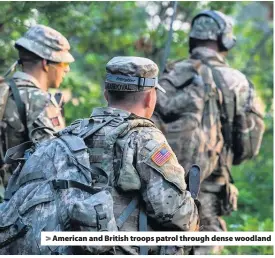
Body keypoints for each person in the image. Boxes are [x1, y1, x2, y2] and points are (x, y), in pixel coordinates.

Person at [0, 56, 199, 255]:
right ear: (150, 98)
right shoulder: (145, 139)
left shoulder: (70, 133)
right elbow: (173, 212)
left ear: (106, 94)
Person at [152, 10, 265, 254]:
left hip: (159, 194)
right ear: (224, 39)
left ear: (193, 38)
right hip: (209, 196)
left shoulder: (168, 77)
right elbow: (247, 148)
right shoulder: (237, 82)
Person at [0, 24, 74, 201]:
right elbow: (57, 163)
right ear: (45, 63)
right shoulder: (42, 101)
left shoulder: (3, 90)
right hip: (19, 207)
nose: (67, 69)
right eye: (63, 63)